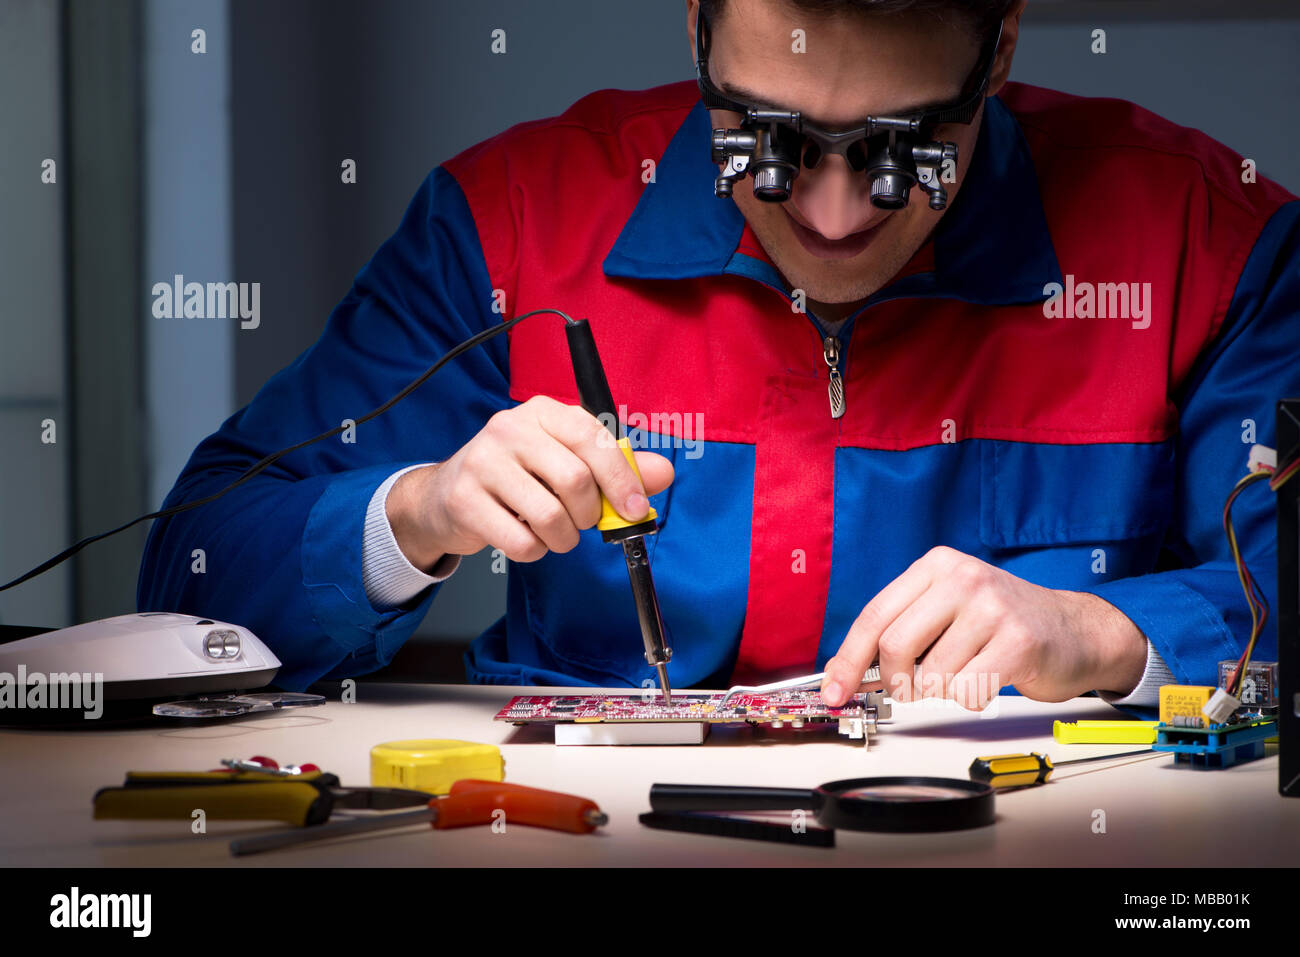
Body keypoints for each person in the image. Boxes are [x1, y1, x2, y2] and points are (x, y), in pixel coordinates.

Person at [138, 0, 1299, 718]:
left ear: (999, 45)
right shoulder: (508, 222)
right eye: (768, 140)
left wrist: (1100, 636)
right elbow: (188, 578)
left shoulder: (1207, 239)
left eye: (903, 151)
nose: (836, 218)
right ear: (695, 27)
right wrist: (415, 513)